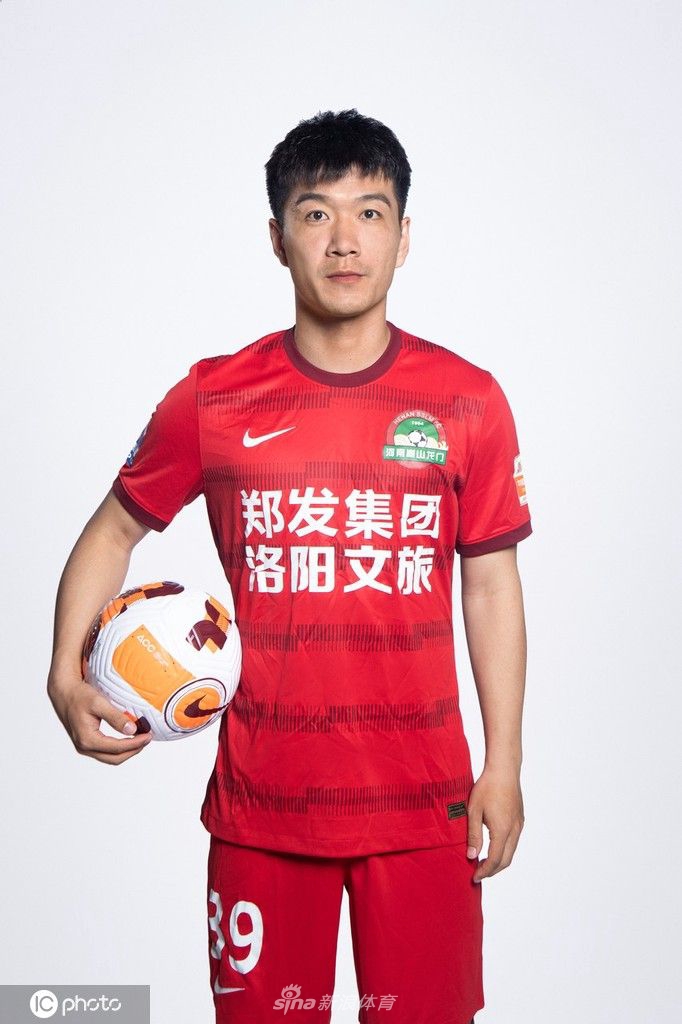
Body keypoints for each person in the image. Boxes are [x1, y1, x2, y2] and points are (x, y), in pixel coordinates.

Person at [47, 108, 532, 1024]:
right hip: (262, 807)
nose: (344, 240)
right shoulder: (214, 397)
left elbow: (491, 584)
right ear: (277, 238)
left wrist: (502, 766)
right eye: (316, 213)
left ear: (404, 236)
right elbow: (111, 532)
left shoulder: (467, 401)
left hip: (424, 807)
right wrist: (62, 676)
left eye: (370, 212)